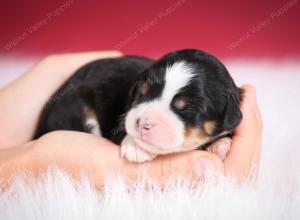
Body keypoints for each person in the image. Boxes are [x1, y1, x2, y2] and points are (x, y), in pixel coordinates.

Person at [0, 51, 262, 188]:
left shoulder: (225, 115)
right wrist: (29, 160)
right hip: (81, 106)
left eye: (185, 111)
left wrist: (219, 143)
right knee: (77, 106)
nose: (144, 120)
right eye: (144, 96)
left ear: (226, 119)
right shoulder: (130, 111)